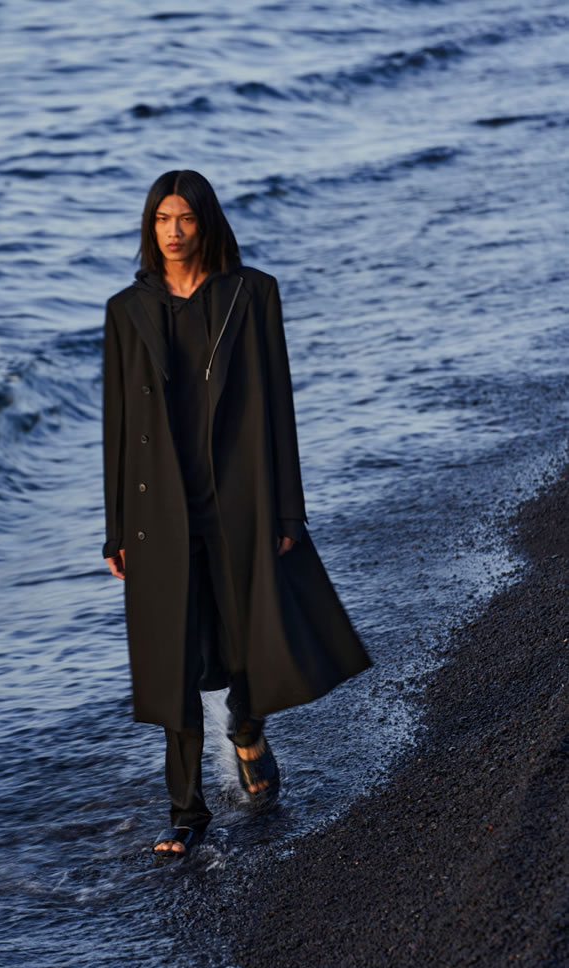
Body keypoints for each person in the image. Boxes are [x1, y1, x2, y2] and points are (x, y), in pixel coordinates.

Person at [103, 170, 370, 857]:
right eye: (162, 218)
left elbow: (277, 404)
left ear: (207, 223)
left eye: (185, 218)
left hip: (240, 496)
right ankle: (186, 814)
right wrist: (115, 529)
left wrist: (288, 511)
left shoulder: (252, 295)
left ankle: (247, 725)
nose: (173, 231)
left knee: (252, 631)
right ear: (150, 227)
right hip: (159, 509)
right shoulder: (126, 310)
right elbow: (118, 425)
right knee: (173, 660)